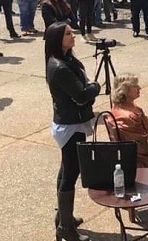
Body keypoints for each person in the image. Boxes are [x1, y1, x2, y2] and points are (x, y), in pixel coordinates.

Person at [45, 21, 101, 241]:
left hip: (71, 121)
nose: (73, 36)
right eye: (68, 34)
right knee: (71, 172)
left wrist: (86, 91)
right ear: (58, 39)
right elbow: (81, 95)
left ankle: (63, 216)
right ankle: (65, 228)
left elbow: (81, 94)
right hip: (70, 125)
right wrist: (95, 87)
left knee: (66, 169)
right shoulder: (59, 67)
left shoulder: (67, 59)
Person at [107, 73, 148, 168]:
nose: (139, 88)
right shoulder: (130, 117)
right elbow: (144, 143)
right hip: (141, 162)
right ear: (125, 89)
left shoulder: (117, 108)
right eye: (135, 86)